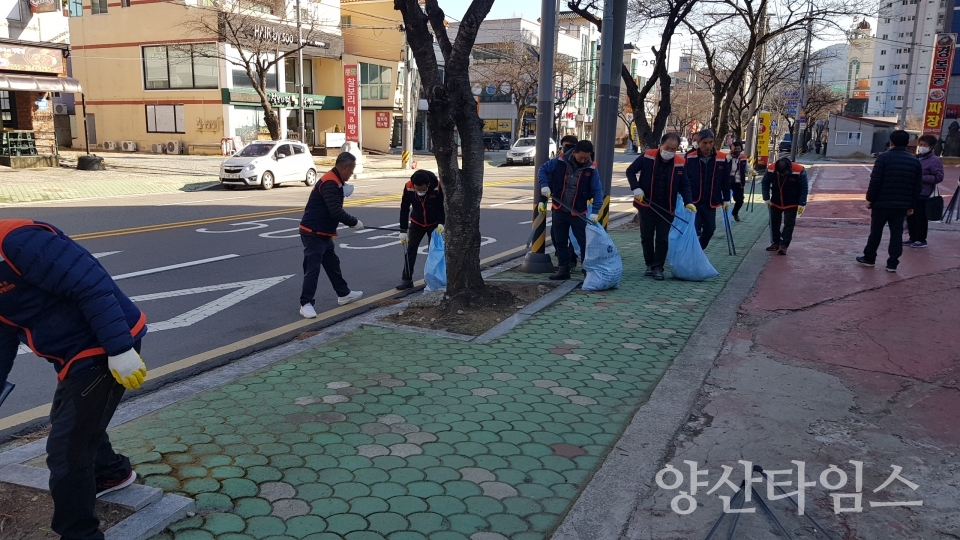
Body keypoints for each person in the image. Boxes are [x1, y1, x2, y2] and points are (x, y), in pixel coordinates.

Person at [0, 219, 148, 540]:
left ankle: (79, 533)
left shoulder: (17, 241)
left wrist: (120, 349)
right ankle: (111, 473)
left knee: (68, 449)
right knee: (77, 422)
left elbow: (91, 284)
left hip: (105, 343)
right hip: (72, 354)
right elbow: (2, 337)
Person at [298, 152, 364, 317]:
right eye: (351, 170)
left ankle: (343, 294)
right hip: (313, 232)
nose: (351, 174)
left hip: (324, 233)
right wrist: (353, 222)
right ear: (345, 167)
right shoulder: (330, 182)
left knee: (333, 264)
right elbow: (335, 211)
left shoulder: (336, 180)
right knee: (312, 269)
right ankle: (305, 304)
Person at [626, 132, 696, 281]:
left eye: (673, 149)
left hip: (667, 206)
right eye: (667, 148)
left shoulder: (680, 162)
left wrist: (688, 202)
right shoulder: (648, 156)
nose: (670, 152)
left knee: (663, 238)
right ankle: (649, 264)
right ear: (660, 145)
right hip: (646, 205)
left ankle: (658, 267)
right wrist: (636, 188)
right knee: (646, 236)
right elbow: (630, 171)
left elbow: (685, 184)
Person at [538, 140, 605, 280]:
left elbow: (597, 190)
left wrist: (595, 212)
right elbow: (542, 170)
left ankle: (588, 270)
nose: (584, 160)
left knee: (583, 242)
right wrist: (544, 186)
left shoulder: (591, 169)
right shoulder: (560, 161)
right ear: (574, 153)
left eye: (587, 157)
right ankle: (563, 269)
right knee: (560, 241)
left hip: (579, 212)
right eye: (581, 157)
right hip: (559, 208)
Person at [857, 130, 922, 273]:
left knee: (876, 232)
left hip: (881, 203)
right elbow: (917, 187)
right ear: (907, 143)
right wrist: (912, 205)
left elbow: (875, 181)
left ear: (891, 142)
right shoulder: (915, 161)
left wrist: (870, 199)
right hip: (902, 205)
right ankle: (892, 263)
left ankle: (869, 258)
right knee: (896, 234)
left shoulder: (883, 158)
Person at [396, 170, 445, 290]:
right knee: (411, 250)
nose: (420, 193)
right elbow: (404, 208)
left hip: (433, 224)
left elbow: (442, 206)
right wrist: (403, 230)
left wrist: (441, 223)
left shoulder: (437, 187)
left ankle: (432, 279)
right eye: (418, 190)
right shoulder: (408, 187)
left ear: (428, 185)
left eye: (423, 190)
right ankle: (406, 279)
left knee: (433, 252)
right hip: (417, 222)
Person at [685, 129, 732, 249]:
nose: (708, 146)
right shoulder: (690, 157)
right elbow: (684, 179)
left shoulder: (721, 158)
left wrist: (726, 199)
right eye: (705, 143)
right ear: (698, 142)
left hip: (711, 201)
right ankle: (693, 254)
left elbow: (725, 180)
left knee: (710, 229)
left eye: (711, 142)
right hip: (693, 201)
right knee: (693, 231)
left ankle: (698, 251)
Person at [761, 157, 809, 255]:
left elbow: (804, 188)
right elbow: (765, 183)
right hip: (775, 201)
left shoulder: (799, 170)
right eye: (779, 174)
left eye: (784, 173)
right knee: (773, 223)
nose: (781, 175)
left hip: (792, 202)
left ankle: (784, 245)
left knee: (789, 224)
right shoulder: (770, 169)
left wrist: (802, 203)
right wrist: (766, 198)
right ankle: (776, 242)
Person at [904, 134, 944, 248]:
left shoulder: (934, 160)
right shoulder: (916, 157)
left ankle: (921, 239)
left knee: (921, 217)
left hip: (924, 192)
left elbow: (939, 177)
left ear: (931, 147)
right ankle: (912, 237)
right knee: (910, 215)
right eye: (920, 144)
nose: (922, 147)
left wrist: (921, 177)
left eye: (924, 145)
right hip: (912, 192)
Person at [728, 140, 753, 222]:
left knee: (740, 200)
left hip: (739, 182)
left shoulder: (743, 158)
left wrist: (751, 171)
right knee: (724, 199)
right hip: (728, 181)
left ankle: (735, 213)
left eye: (739, 149)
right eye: (736, 149)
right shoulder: (728, 158)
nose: (738, 151)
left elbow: (747, 167)